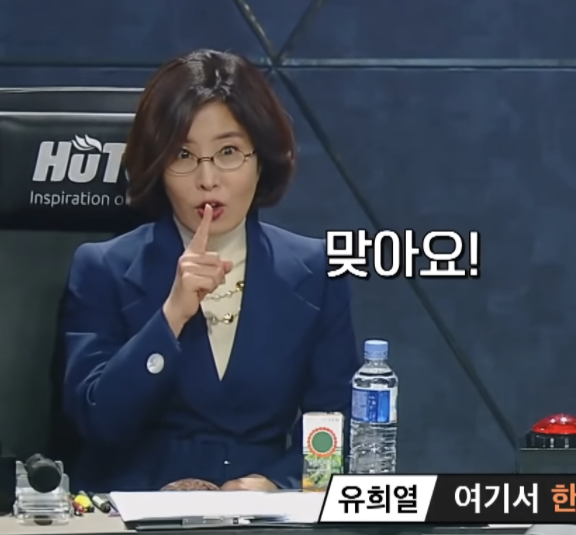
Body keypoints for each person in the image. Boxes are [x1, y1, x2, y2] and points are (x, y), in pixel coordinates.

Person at [60, 49, 359, 492]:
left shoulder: (316, 271)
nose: (207, 179)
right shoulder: (103, 268)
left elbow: (336, 424)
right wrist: (171, 317)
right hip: (134, 515)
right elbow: (96, 421)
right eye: (183, 154)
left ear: (261, 159)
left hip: (258, 519)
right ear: (158, 166)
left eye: (228, 152)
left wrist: (279, 484)